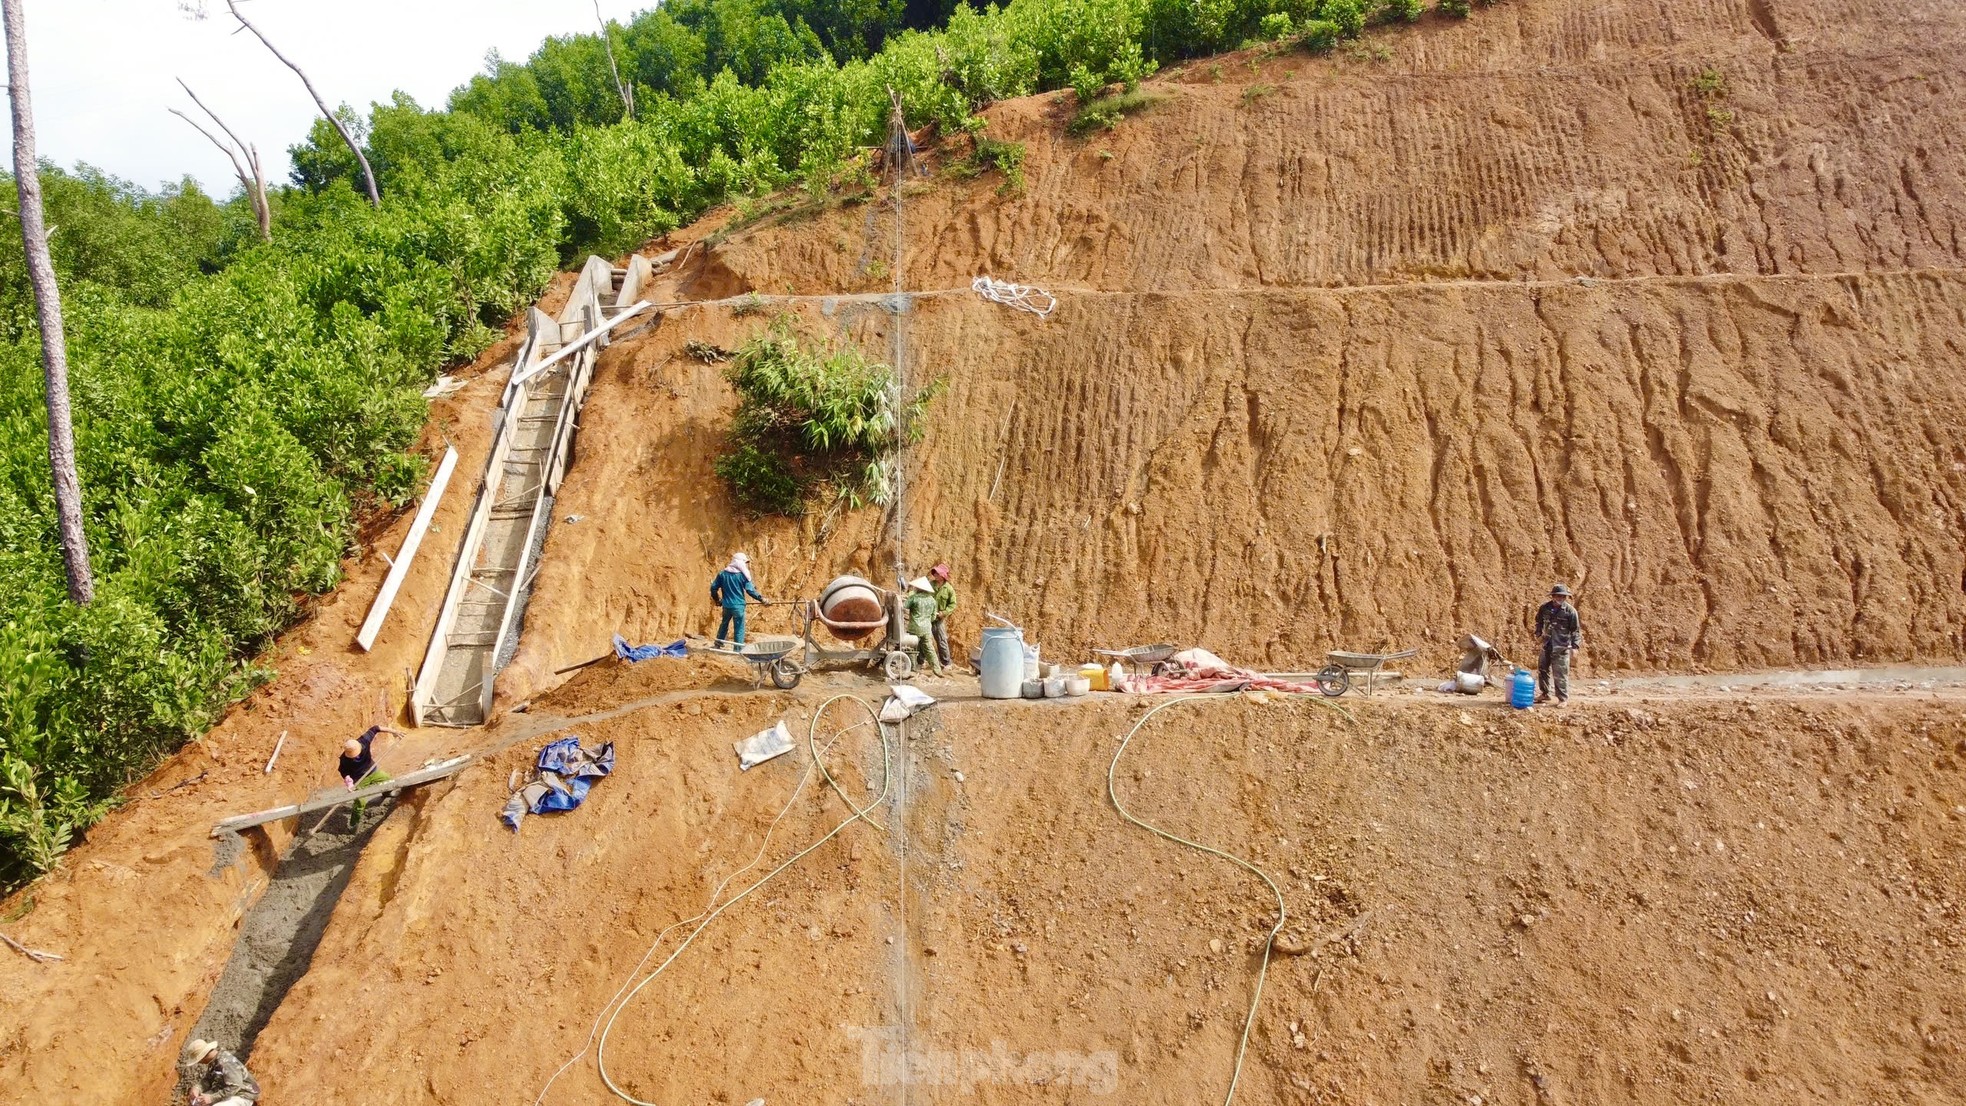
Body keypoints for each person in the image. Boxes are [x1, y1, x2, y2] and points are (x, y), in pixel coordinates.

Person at [339, 724, 401, 825]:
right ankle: (353, 824)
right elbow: (343, 772)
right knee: (360, 802)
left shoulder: (364, 741)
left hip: (373, 771)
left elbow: (376, 728)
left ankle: (387, 793)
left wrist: (394, 732)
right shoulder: (344, 759)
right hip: (359, 779)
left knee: (388, 780)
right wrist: (349, 783)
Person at [1533, 583, 1583, 705]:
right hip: (1547, 644)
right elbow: (1538, 622)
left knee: (1560, 673)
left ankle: (1562, 699)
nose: (1561, 599)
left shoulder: (1570, 611)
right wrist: (1538, 634)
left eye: (1563, 597)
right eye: (1558, 596)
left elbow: (1575, 630)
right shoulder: (1544, 608)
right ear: (1553, 596)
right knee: (1543, 669)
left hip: (1562, 646)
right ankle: (1545, 694)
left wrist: (1575, 646)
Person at [709, 552, 766, 645]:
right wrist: (761, 599)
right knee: (739, 627)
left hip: (726, 606)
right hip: (738, 606)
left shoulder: (722, 574)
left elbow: (713, 588)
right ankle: (738, 648)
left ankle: (718, 644)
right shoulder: (743, 575)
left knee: (724, 624)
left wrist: (717, 600)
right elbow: (750, 590)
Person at [182, 1038, 260, 1106]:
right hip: (224, 1092)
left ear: (203, 1056)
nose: (199, 1062)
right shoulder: (214, 1062)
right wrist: (197, 1088)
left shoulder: (226, 1062)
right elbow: (208, 1080)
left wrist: (211, 1098)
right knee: (197, 1103)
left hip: (242, 1095)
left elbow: (235, 1087)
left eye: (198, 1060)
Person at [905, 577, 944, 677]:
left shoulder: (914, 598)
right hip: (926, 628)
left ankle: (913, 668)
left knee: (911, 647)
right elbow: (933, 617)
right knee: (929, 648)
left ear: (918, 588)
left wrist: (908, 594)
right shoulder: (932, 600)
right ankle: (937, 669)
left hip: (914, 627)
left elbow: (904, 606)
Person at [929, 563, 957, 671]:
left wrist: (944, 613)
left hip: (938, 619)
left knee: (941, 640)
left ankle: (946, 663)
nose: (935, 575)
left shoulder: (948, 589)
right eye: (935, 572)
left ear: (943, 576)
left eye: (937, 573)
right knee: (924, 639)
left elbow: (953, 604)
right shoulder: (930, 585)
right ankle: (920, 662)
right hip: (927, 617)